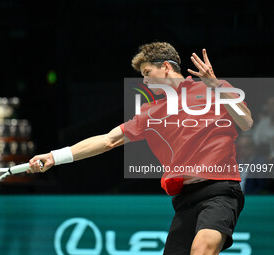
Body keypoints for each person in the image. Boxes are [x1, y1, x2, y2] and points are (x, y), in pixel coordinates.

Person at [28, 42, 253, 254]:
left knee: (202, 249)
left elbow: (245, 122)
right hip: (185, 198)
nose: (144, 81)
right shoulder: (150, 112)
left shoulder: (214, 89)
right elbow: (108, 140)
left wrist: (215, 85)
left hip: (221, 191)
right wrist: (54, 157)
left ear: (165, 67)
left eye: (147, 72)